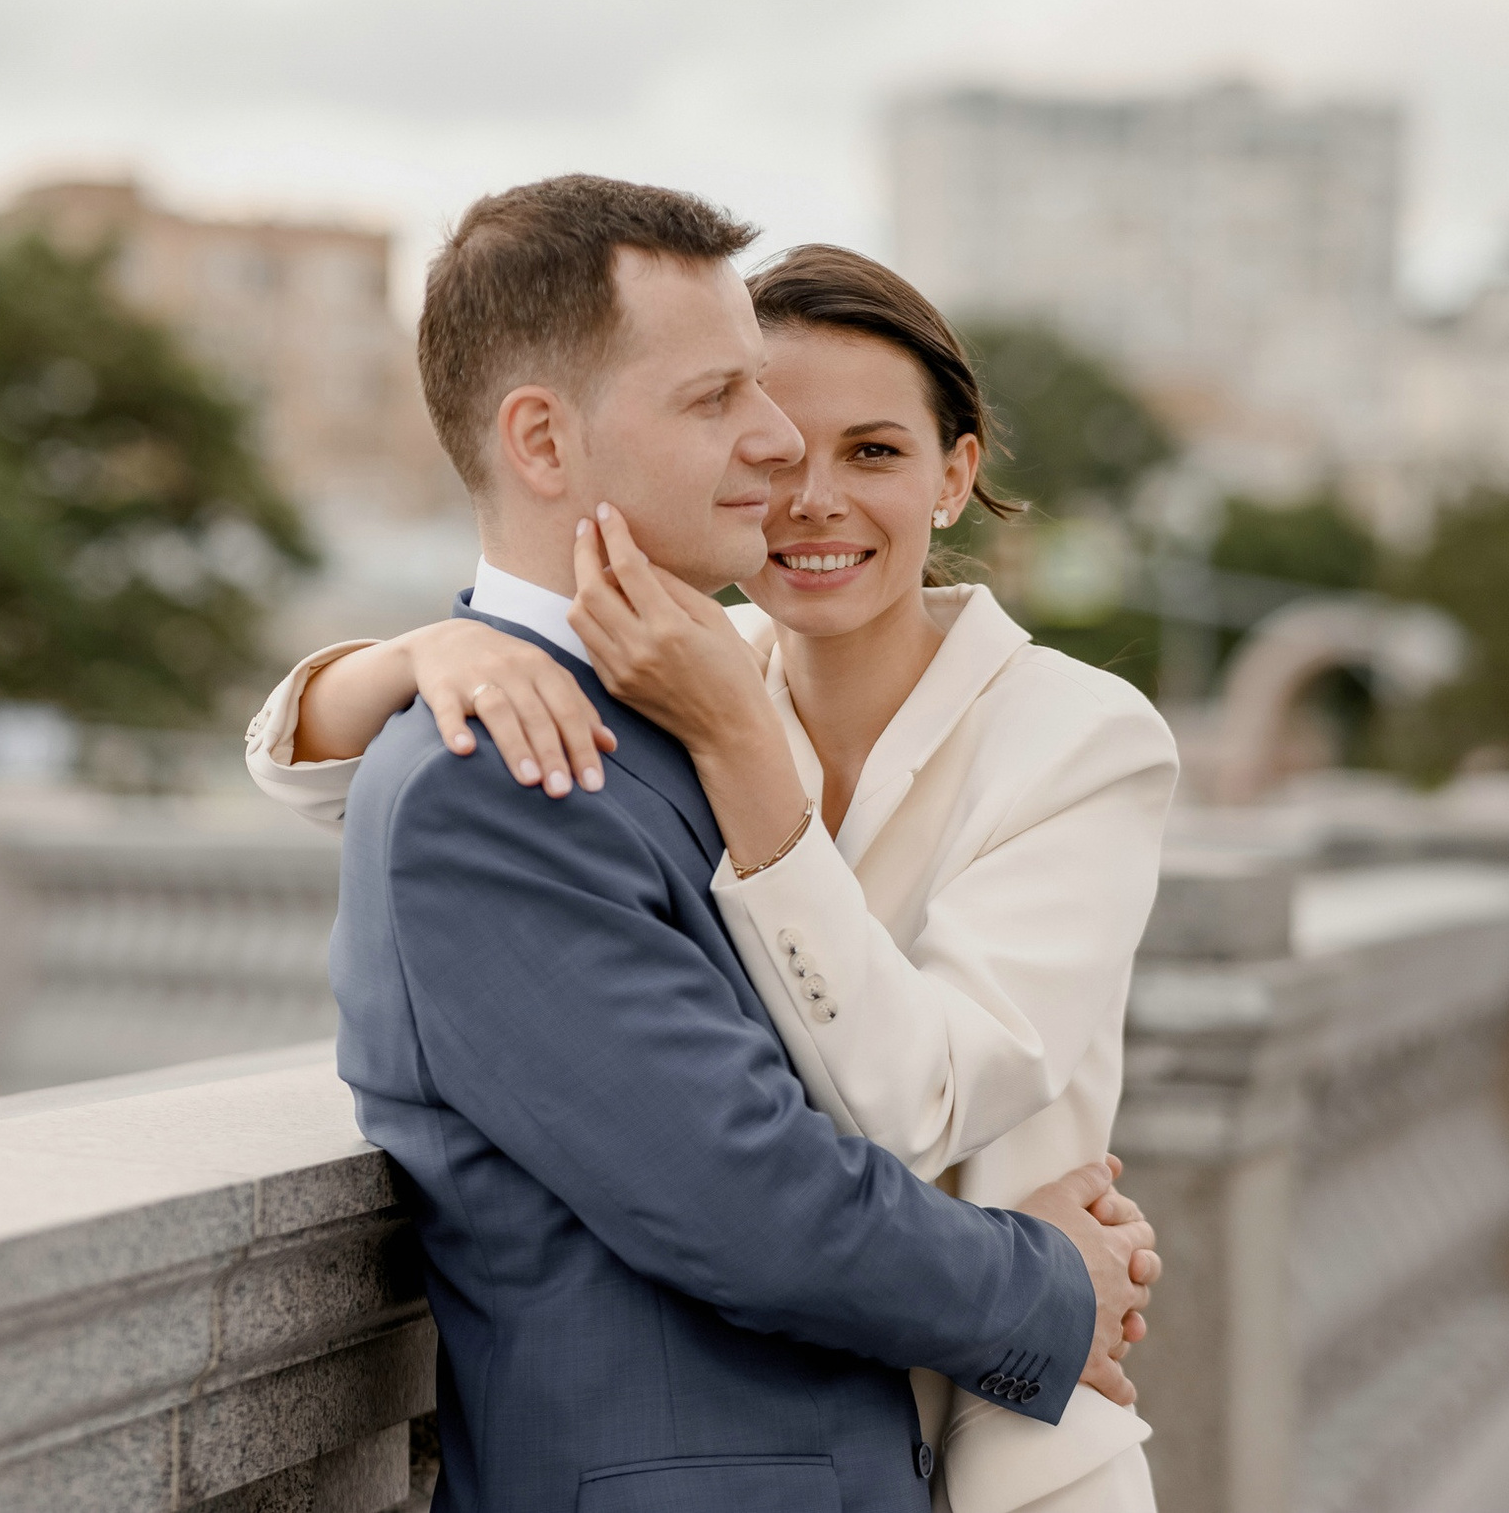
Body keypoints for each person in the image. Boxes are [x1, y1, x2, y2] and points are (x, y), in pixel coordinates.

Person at [248, 234, 1178, 1512]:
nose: (803, 489)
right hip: (819, 1410)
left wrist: (747, 756)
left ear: (956, 474)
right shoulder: (684, 671)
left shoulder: (1078, 737)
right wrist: (416, 655)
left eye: (874, 452)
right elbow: (360, 778)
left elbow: (921, 1098)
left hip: (1006, 1440)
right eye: (768, 435)